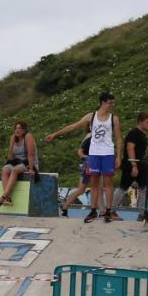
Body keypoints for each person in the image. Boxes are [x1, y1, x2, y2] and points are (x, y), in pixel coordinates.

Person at [45, 92, 122, 223]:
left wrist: (119, 156)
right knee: (95, 184)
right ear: (103, 102)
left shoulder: (114, 118)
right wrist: (55, 134)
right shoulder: (91, 116)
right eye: (110, 103)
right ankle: (93, 211)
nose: (112, 105)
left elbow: (119, 138)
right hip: (94, 153)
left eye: (113, 103)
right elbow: (73, 126)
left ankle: (108, 211)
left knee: (108, 183)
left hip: (108, 153)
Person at [0, 121, 38, 208]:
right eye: (16, 128)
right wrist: (11, 146)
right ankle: (8, 199)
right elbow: (11, 156)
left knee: (15, 170)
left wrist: (31, 169)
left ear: (24, 130)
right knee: (5, 169)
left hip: (29, 162)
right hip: (16, 161)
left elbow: (31, 154)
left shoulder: (28, 136)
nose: (17, 130)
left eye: (19, 128)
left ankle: (3, 197)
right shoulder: (13, 137)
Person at [118, 112, 148, 214]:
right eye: (147, 122)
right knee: (123, 188)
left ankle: (142, 213)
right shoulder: (134, 133)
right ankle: (110, 210)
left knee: (143, 189)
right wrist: (134, 166)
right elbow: (130, 148)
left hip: (141, 165)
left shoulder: (141, 134)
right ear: (140, 122)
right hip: (131, 165)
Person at [59, 136, 92, 217]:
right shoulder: (89, 139)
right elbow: (80, 152)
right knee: (81, 189)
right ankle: (65, 207)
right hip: (88, 166)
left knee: (97, 188)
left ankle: (65, 206)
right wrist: (87, 158)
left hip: (96, 166)